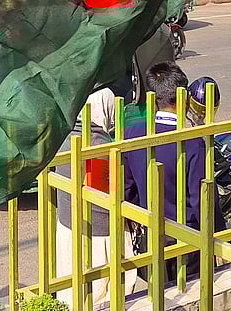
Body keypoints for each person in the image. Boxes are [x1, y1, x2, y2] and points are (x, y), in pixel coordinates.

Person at [123, 62, 222, 282]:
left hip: (150, 231)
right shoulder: (193, 142)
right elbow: (202, 199)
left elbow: (128, 189)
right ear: (184, 97)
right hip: (187, 237)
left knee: (156, 295)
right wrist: (220, 235)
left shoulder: (133, 133)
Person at [53, 87, 136, 307]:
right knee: (103, 294)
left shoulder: (64, 135)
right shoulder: (103, 145)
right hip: (99, 233)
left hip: (67, 225)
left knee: (72, 291)